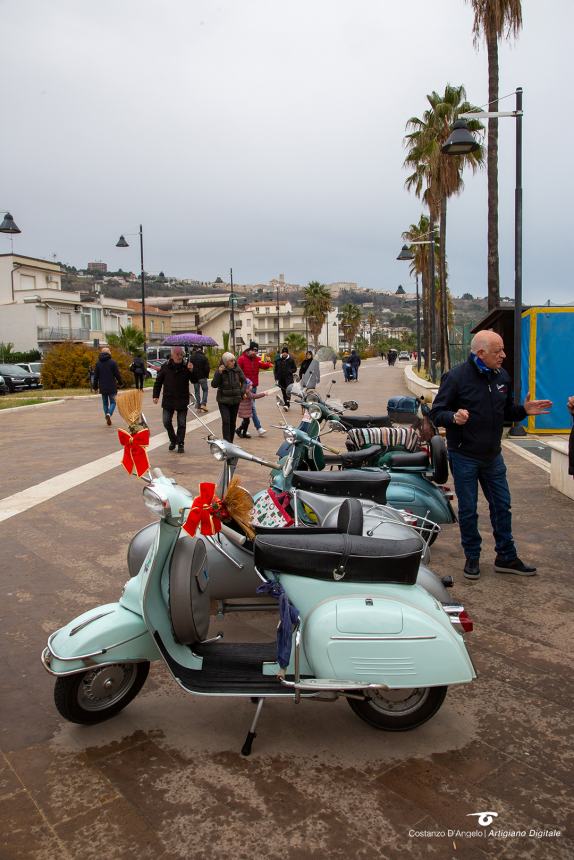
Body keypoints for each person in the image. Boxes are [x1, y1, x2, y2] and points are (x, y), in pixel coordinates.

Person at [430, 330, 552, 580]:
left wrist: (523, 411)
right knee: (468, 510)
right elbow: (437, 412)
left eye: (503, 350)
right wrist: (453, 417)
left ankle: (506, 556)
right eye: (499, 351)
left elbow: (507, 411)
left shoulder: (502, 376)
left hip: (493, 456)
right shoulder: (455, 377)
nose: (504, 356)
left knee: (502, 506)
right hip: (464, 455)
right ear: (481, 353)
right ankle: (472, 557)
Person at [152, 346, 194, 453]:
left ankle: (180, 443)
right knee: (166, 421)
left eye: (181, 354)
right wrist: (155, 395)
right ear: (172, 355)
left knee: (182, 423)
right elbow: (158, 382)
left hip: (182, 398)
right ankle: (173, 439)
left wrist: (191, 371)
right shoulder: (165, 367)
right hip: (168, 398)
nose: (180, 356)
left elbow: (194, 380)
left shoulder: (186, 366)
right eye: (177, 354)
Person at [211, 352, 247, 442]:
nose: (233, 362)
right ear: (225, 362)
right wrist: (219, 373)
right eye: (231, 361)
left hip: (235, 400)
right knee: (226, 421)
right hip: (223, 401)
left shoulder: (237, 369)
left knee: (232, 422)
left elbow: (244, 381)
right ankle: (226, 442)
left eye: (234, 360)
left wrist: (241, 392)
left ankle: (230, 442)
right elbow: (214, 384)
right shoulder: (220, 370)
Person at [237, 341, 271, 436]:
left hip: (254, 386)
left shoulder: (257, 359)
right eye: (254, 350)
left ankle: (240, 429)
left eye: (256, 351)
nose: (255, 352)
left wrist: (268, 362)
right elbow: (237, 373)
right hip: (245, 388)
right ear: (249, 349)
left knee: (249, 409)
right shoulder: (241, 359)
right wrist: (241, 388)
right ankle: (259, 427)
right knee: (252, 408)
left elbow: (264, 366)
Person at [93, 346, 122, 425]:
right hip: (112, 386)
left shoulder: (98, 364)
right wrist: (121, 382)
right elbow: (117, 374)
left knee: (105, 403)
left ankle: (107, 415)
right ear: (108, 352)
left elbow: (95, 377)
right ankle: (109, 413)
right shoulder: (113, 362)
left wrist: (95, 387)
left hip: (102, 386)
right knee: (113, 402)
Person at [189, 345, 211, 412]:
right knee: (205, 390)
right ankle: (203, 404)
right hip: (202, 377)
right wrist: (206, 375)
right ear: (201, 350)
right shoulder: (204, 357)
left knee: (197, 392)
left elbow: (189, 368)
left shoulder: (191, 357)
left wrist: (191, 377)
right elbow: (207, 368)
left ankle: (198, 405)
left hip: (194, 378)